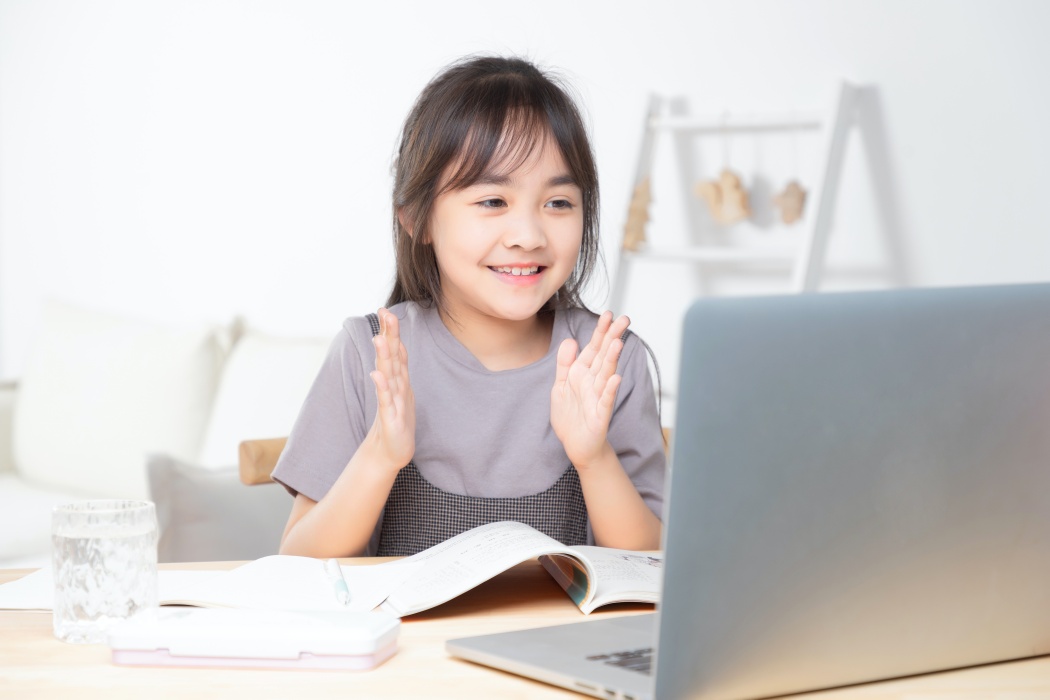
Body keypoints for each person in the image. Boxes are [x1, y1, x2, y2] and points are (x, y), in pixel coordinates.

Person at [273, 55, 666, 558]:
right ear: (417, 219)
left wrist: (594, 459)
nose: (528, 236)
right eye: (493, 201)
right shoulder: (369, 353)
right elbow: (299, 561)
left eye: (558, 203)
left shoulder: (609, 359)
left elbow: (653, 564)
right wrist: (380, 457)